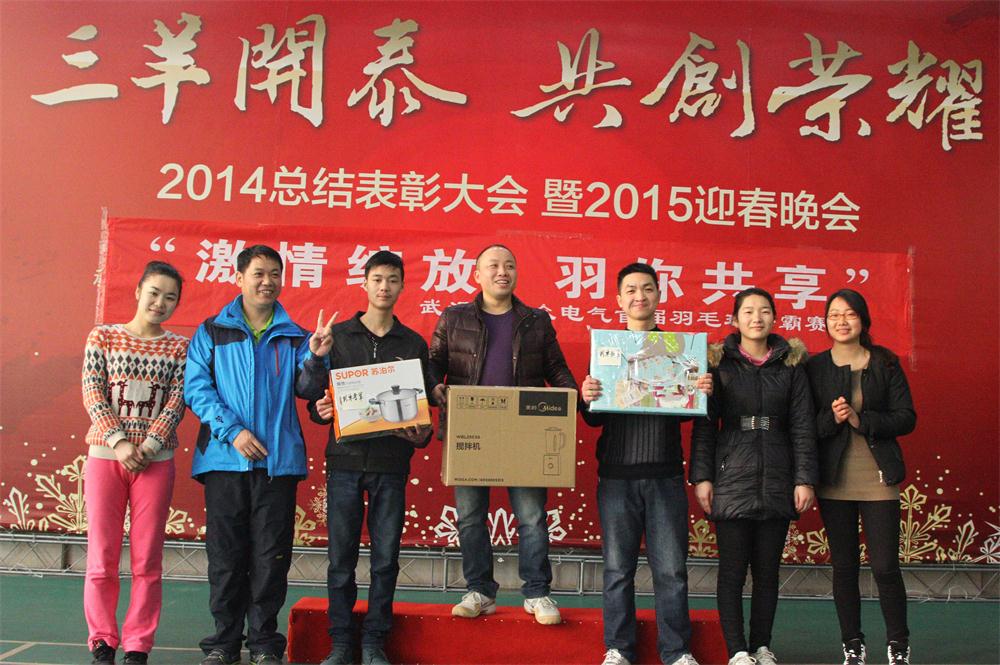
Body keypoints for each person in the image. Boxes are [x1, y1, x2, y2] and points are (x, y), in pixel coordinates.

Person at [185, 245, 333, 665]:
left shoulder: (296, 335)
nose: (267, 282)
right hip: (223, 461)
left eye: (274, 274)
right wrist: (233, 431)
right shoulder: (212, 331)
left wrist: (316, 356)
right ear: (239, 278)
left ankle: (265, 643)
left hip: (277, 465)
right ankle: (224, 642)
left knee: (271, 558)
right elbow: (196, 389)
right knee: (226, 557)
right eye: (258, 273)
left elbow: (308, 389)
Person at [427, 243, 578, 625]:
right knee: (470, 516)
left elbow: (557, 369)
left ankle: (537, 592)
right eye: (493, 265)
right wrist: (434, 388)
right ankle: (480, 590)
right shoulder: (454, 317)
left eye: (509, 265)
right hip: (470, 432)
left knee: (532, 517)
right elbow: (432, 365)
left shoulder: (535, 321)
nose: (502, 272)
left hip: (524, 433)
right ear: (476, 274)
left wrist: (573, 398)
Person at [306, 251, 433, 665]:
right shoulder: (338, 336)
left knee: (385, 559)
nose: (384, 287)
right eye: (377, 279)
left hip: (391, 466)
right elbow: (312, 396)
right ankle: (341, 643)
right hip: (344, 462)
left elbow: (424, 410)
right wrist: (317, 369)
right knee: (340, 560)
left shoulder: (412, 343)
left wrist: (422, 434)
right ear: (364, 283)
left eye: (392, 280)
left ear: (402, 286)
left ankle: (376, 641)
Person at [579, 263, 710, 665]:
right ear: (619, 299)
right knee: (617, 570)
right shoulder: (606, 350)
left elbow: (688, 409)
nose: (640, 296)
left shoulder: (680, 350)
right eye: (632, 290)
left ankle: (677, 651)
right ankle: (618, 648)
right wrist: (588, 395)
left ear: (659, 295)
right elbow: (595, 419)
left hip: (665, 475)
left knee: (671, 570)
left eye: (648, 289)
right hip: (616, 477)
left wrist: (701, 389)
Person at [690, 287, 817, 665]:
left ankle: (762, 646)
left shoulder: (791, 365)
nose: (756, 318)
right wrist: (702, 477)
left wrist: (804, 479)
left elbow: (803, 426)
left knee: (767, 573)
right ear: (735, 320)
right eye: (748, 311)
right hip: (731, 476)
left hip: (778, 475)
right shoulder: (718, 364)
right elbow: (705, 426)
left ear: (774, 318)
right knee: (731, 572)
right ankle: (737, 650)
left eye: (764, 311)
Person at [82, 261, 189, 665]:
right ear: (138, 291)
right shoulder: (104, 336)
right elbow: (92, 391)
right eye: (154, 293)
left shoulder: (179, 347)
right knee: (102, 555)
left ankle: (138, 645)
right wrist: (119, 442)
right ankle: (102, 641)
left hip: (155, 462)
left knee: (147, 559)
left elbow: (177, 401)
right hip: (105, 458)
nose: (160, 302)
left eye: (170, 297)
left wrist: (149, 444)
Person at [806, 289, 916, 665]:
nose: (841, 321)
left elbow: (906, 417)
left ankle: (898, 645)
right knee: (845, 566)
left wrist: (861, 419)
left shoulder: (885, 362)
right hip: (834, 480)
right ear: (825, 322)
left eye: (849, 314)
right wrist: (833, 419)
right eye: (834, 315)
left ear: (863, 320)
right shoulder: (814, 367)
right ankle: (852, 644)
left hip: (879, 479)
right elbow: (805, 426)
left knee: (885, 566)